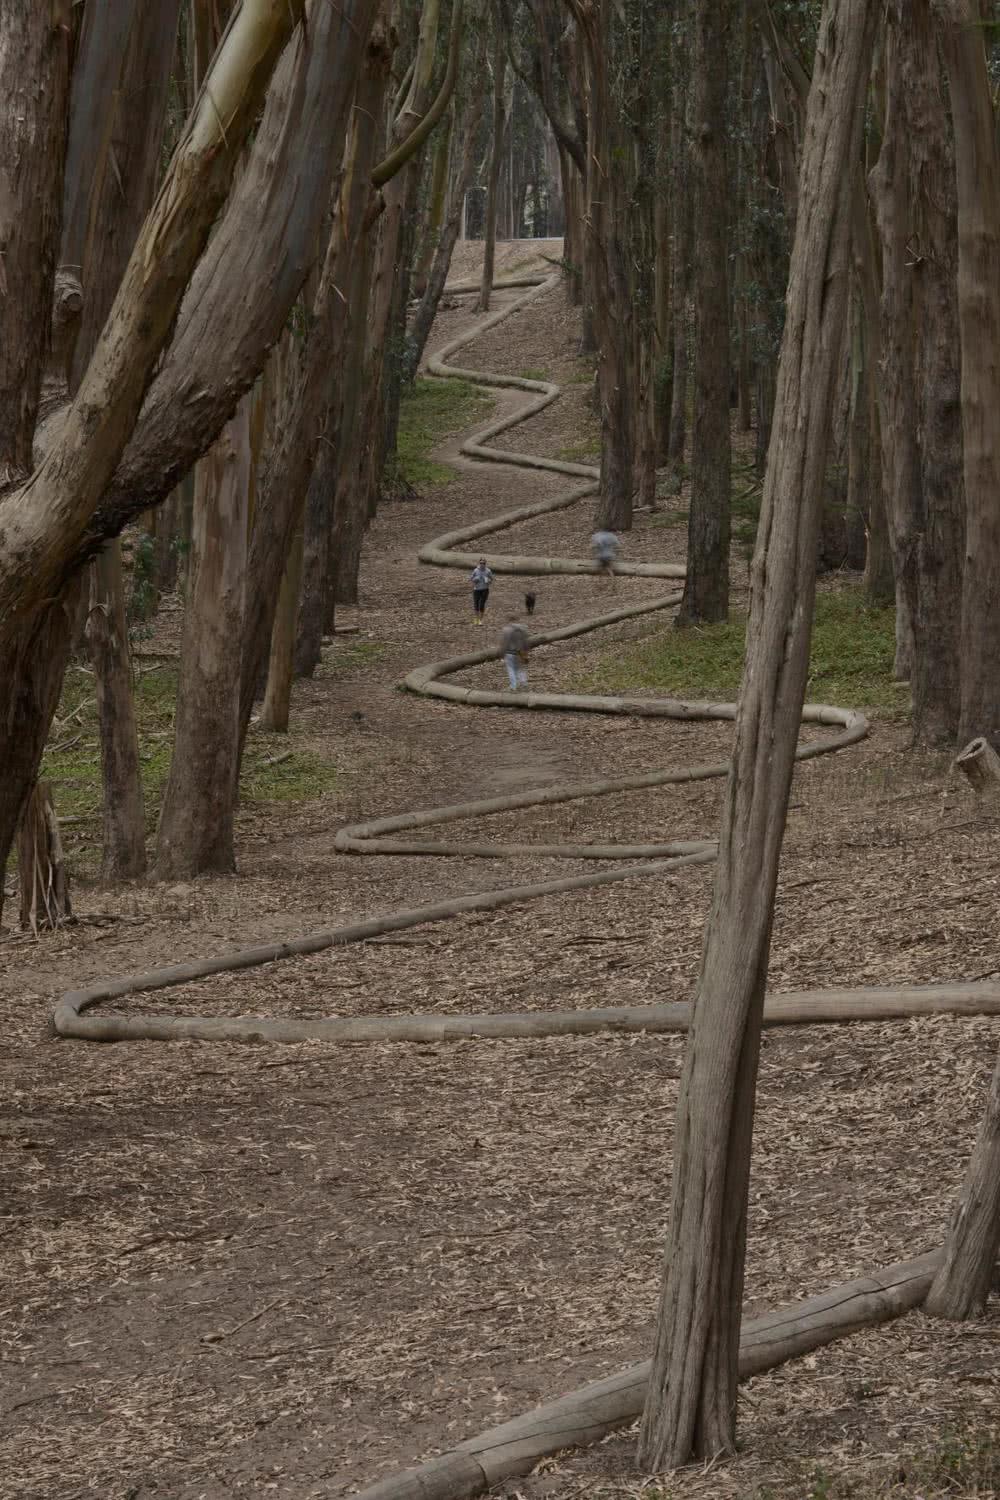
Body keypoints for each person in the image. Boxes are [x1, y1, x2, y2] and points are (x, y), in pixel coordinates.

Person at [500, 615, 529, 691]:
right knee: (519, 668)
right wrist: (526, 653)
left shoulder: (506, 630)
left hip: (509, 652)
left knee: (511, 669)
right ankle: (524, 683)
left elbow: (504, 643)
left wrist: (502, 653)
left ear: (509, 620)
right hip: (519, 653)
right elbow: (525, 642)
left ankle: (513, 686)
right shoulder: (522, 629)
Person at [470, 557, 493, 625]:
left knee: (482, 605)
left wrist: (488, 581)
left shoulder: (488, 571)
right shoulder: (475, 570)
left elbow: (492, 579)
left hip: (485, 590)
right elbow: (471, 578)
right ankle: (476, 619)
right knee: (476, 605)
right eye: (481, 563)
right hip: (476, 590)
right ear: (479, 563)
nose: (482, 564)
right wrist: (475, 579)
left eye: (483, 563)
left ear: (485, 564)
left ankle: (480, 620)